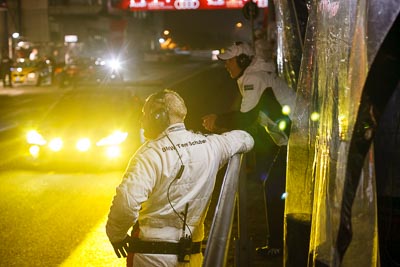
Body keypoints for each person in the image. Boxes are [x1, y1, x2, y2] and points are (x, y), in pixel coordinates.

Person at [106, 89, 254, 266]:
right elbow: (246, 138)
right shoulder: (211, 145)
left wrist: (116, 236)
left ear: (158, 117)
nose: (141, 120)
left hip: (151, 257)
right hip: (192, 256)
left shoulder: (149, 154)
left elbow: (127, 203)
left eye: (145, 114)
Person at [202, 41, 296, 257]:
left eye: (230, 61)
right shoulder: (254, 76)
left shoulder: (254, 79)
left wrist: (218, 121)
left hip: (299, 138)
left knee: (274, 188)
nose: (227, 66)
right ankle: (281, 244)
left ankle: (278, 247)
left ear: (243, 60)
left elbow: (246, 117)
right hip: (293, 139)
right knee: (275, 187)